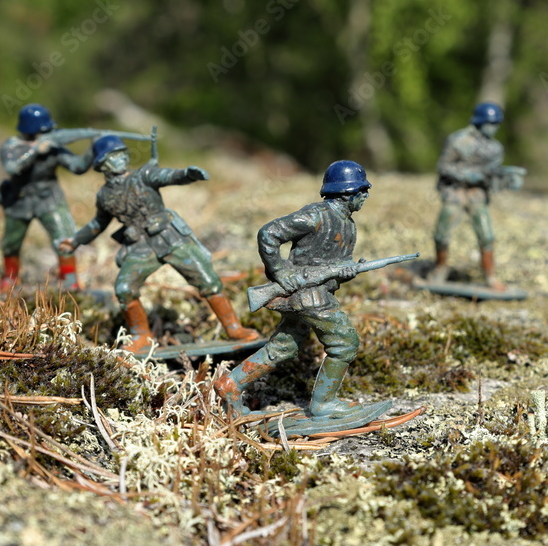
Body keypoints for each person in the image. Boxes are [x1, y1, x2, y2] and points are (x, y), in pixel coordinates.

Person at [59, 135, 258, 357]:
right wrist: (75, 241)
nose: (123, 158)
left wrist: (187, 175)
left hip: (171, 238)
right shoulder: (104, 196)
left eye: (124, 154)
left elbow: (168, 175)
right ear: (102, 164)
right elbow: (98, 224)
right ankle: (142, 336)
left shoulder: (143, 176)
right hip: (141, 247)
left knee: (208, 281)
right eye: (115, 156)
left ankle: (233, 328)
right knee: (124, 289)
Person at [214, 160, 371, 419]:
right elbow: (268, 234)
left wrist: (348, 271)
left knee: (283, 348)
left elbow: (331, 269)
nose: (365, 196)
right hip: (309, 298)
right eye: (361, 191)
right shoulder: (316, 215)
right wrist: (280, 271)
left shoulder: (348, 225)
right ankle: (324, 404)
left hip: (314, 294)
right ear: (347, 193)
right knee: (345, 342)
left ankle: (231, 384)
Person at [0, 103, 91, 292]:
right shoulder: (12, 146)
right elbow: (12, 167)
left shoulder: (53, 147)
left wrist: (92, 151)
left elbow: (77, 167)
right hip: (19, 200)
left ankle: (70, 281)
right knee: (11, 244)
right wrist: (36, 150)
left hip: (49, 200)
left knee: (64, 241)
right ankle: (10, 279)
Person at [430, 101, 514, 289]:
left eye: (496, 124)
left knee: (487, 236)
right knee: (442, 234)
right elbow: (444, 166)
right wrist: (466, 175)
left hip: (477, 194)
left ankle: (490, 276)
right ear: (479, 122)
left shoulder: (495, 149)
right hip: (455, 192)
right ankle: (440, 268)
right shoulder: (459, 141)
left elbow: (492, 175)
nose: (493, 129)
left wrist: (505, 180)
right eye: (489, 124)